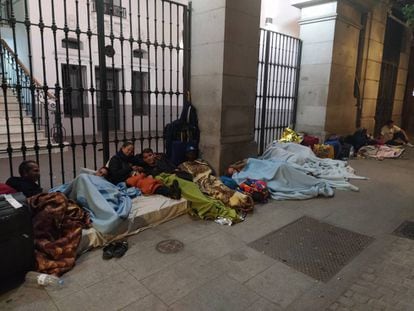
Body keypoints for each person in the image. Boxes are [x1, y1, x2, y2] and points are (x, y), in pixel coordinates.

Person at [140, 148, 241, 223]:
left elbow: (172, 167)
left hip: (178, 176)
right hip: (171, 180)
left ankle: (207, 202)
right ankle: (207, 204)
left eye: (150, 155)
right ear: (143, 160)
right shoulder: (146, 169)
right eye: (146, 157)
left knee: (195, 189)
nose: (149, 158)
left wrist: (173, 169)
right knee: (190, 193)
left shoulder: (162, 160)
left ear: (154, 154)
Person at [178, 146, 254, 213]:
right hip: (202, 183)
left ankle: (243, 198)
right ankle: (236, 202)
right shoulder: (183, 165)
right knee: (217, 193)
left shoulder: (201, 161)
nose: (192, 154)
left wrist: (210, 177)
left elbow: (210, 170)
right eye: (190, 153)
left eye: (193, 152)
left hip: (211, 178)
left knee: (224, 188)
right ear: (186, 154)